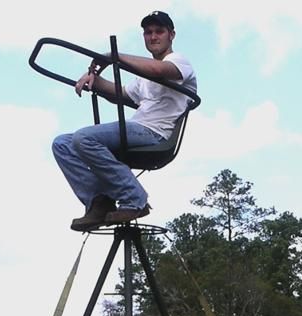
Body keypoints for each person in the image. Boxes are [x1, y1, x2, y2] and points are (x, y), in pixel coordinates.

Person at [52, 11, 197, 230]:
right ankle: (99, 201)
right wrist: (95, 79)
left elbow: (159, 70)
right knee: (62, 144)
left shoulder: (178, 61)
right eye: (148, 33)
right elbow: (119, 92)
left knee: (84, 138)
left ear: (171, 35)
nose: (153, 37)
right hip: (137, 129)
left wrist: (114, 56)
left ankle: (134, 198)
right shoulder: (143, 76)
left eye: (159, 31)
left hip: (156, 133)